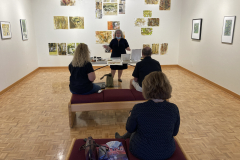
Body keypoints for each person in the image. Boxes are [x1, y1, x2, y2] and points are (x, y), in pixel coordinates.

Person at [115, 71, 180, 160]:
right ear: (167, 87)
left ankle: (122, 138)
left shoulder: (139, 108)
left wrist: (131, 116)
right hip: (166, 151)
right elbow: (174, 133)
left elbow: (129, 128)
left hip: (140, 151)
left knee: (134, 130)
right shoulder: (173, 108)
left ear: (146, 88)